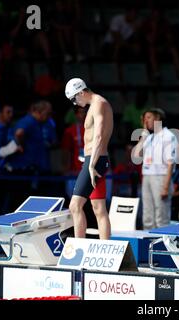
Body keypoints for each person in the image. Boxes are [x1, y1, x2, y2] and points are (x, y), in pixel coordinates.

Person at [65, 78, 113, 240]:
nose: (74, 103)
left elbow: (98, 136)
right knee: (99, 208)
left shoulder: (98, 103)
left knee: (75, 206)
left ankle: (79, 251)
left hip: (95, 161)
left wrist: (91, 165)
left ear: (81, 92)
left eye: (73, 99)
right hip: (97, 159)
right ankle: (106, 250)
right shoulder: (96, 104)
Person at [133, 108, 177, 230]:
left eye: (148, 117)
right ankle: (147, 244)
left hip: (161, 177)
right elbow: (137, 155)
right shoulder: (149, 137)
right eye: (144, 118)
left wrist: (165, 186)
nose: (145, 121)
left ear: (158, 118)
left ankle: (162, 244)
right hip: (147, 176)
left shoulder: (168, 136)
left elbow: (170, 163)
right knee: (147, 213)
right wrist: (143, 136)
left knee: (161, 215)